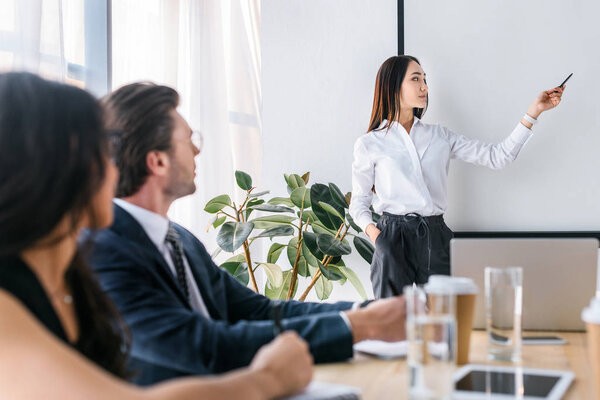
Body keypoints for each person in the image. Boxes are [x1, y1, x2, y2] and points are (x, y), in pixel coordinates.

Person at [0, 71, 312, 399]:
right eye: (103, 151)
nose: (115, 166)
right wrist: (268, 378)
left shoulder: (73, 278)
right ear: (53, 170)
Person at [88, 81, 407, 385]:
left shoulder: (180, 239)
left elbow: (259, 311)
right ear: (157, 161)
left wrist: (364, 311)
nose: (198, 152)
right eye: (189, 140)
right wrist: (360, 326)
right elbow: (203, 347)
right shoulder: (105, 251)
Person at [348, 55, 565, 298]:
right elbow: (358, 202)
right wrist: (377, 236)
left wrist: (533, 113)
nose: (424, 87)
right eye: (416, 79)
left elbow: (498, 157)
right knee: (392, 324)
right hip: (391, 238)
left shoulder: (440, 136)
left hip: (436, 237)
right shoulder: (370, 144)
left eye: (425, 80)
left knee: (447, 319)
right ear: (393, 85)